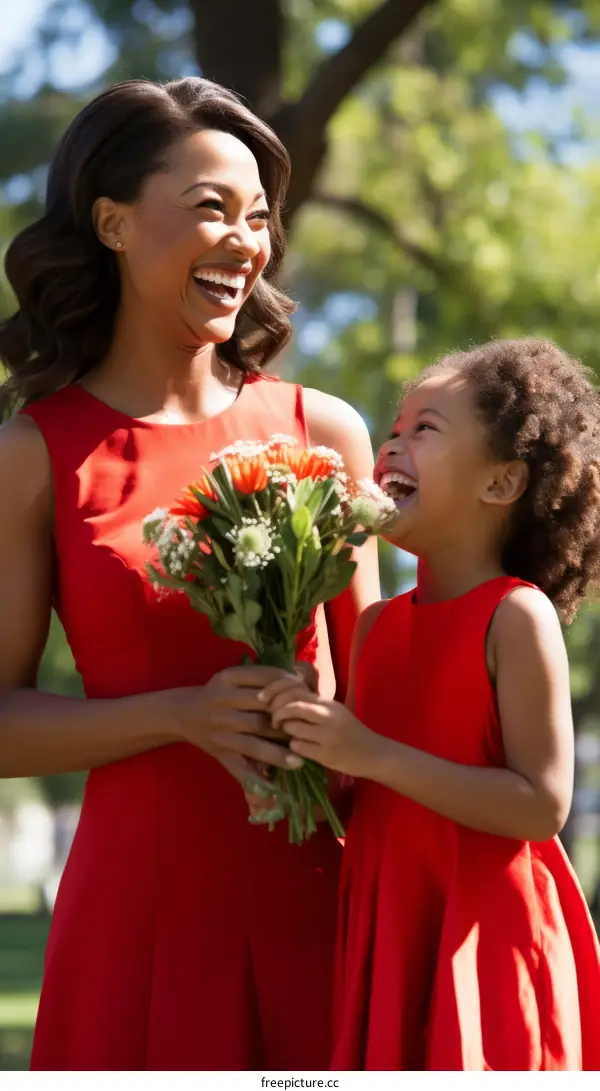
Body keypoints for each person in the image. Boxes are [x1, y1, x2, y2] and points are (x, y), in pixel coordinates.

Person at [0, 77, 380, 1070]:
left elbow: (378, 701)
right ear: (113, 223)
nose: (247, 241)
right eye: (211, 207)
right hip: (139, 917)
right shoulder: (36, 453)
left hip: (326, 896)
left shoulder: (325, 431)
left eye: (259, 216)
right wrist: (181, 713)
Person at [255, 339, 600, 1070]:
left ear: (501, 484)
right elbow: (370, 796)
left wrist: (369, 752)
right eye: (395, 427)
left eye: (426, 429)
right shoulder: (377, 626)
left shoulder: (516, 615)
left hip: (485, 938)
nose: (390, 445)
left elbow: (541, 803)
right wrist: (306, 754)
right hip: (390, 930)